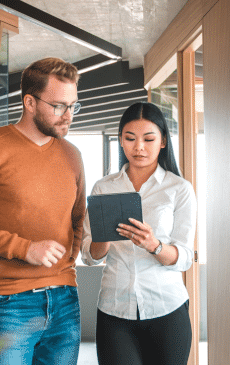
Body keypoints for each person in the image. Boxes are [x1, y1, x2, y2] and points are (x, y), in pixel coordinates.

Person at [0, 57, 85, 365]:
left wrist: (67, 265)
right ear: (30, 102)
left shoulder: (73, 155)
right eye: (59, 106)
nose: (68, 116)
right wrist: (25, 249)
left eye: (73, 106)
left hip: (65, 300)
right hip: (8, 303)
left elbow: (78, 220)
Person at [82, 102, 196, 365]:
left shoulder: (179, 189)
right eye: (130, 138)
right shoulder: (104, 188)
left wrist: (154, 245)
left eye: (149, 139)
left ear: (163, 141)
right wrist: (104, 235)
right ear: (121, 141)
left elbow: (185, 258)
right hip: (114, 310)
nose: (139, 147)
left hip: (167, 309)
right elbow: (89, 256)